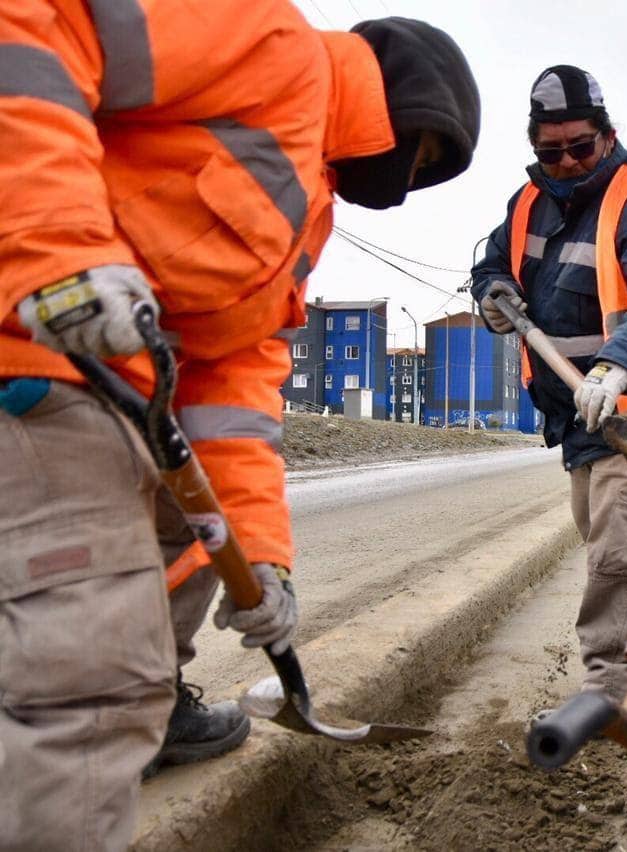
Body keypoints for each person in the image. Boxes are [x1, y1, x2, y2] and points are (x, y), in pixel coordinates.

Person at [0, 4, 479, 848]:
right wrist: (53, 250)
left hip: (125, 405)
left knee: (194, 533)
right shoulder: (266, 40)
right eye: (426, 153)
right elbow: (37, 23)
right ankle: (110, 714)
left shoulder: (307, 208)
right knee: (85, 688)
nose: (407, 177)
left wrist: (264, 560)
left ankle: (155, 698)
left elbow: (237, 382)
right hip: (39, 358)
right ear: (408, 102)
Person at [471, 65, 627, 701]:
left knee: (621, 560)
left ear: (607, 134)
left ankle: (616, 697)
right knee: (612, 552)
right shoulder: (527, 203)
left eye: (581, 146)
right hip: (579, 423)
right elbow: (493, 260)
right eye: (552, 152)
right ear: (534, 146)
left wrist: (619, 363)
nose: (569, 162)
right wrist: (492, 291)